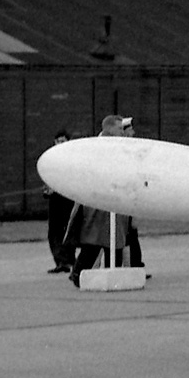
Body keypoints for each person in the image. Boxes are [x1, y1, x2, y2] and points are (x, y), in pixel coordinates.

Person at [67, 115, 132, 286]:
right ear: (109, 129)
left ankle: (115, 274)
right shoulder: (94, 147)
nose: (122, 133)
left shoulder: (119, 147)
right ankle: (78, 274)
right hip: (96, 201)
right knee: (93, 241)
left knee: (116, 240)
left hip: (116, 202)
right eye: (119, 129)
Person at [43, 130, 75, 273]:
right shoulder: (50, 158)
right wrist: (47, 190)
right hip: (55, 199)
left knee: (67, 229)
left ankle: (69, 259)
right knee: (54, 230)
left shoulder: (72, 159)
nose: (60, 144)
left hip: (68, 198)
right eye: (58, 141)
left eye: (63, 141)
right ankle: (60, 261)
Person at [119, 116, 145, 268]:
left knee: (131, 234)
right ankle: (133, 265)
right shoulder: (124, 150)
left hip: (131, 197)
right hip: (125, 197)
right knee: (128, 235)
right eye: (129, 130)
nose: (133, 133)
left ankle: (135, 264)